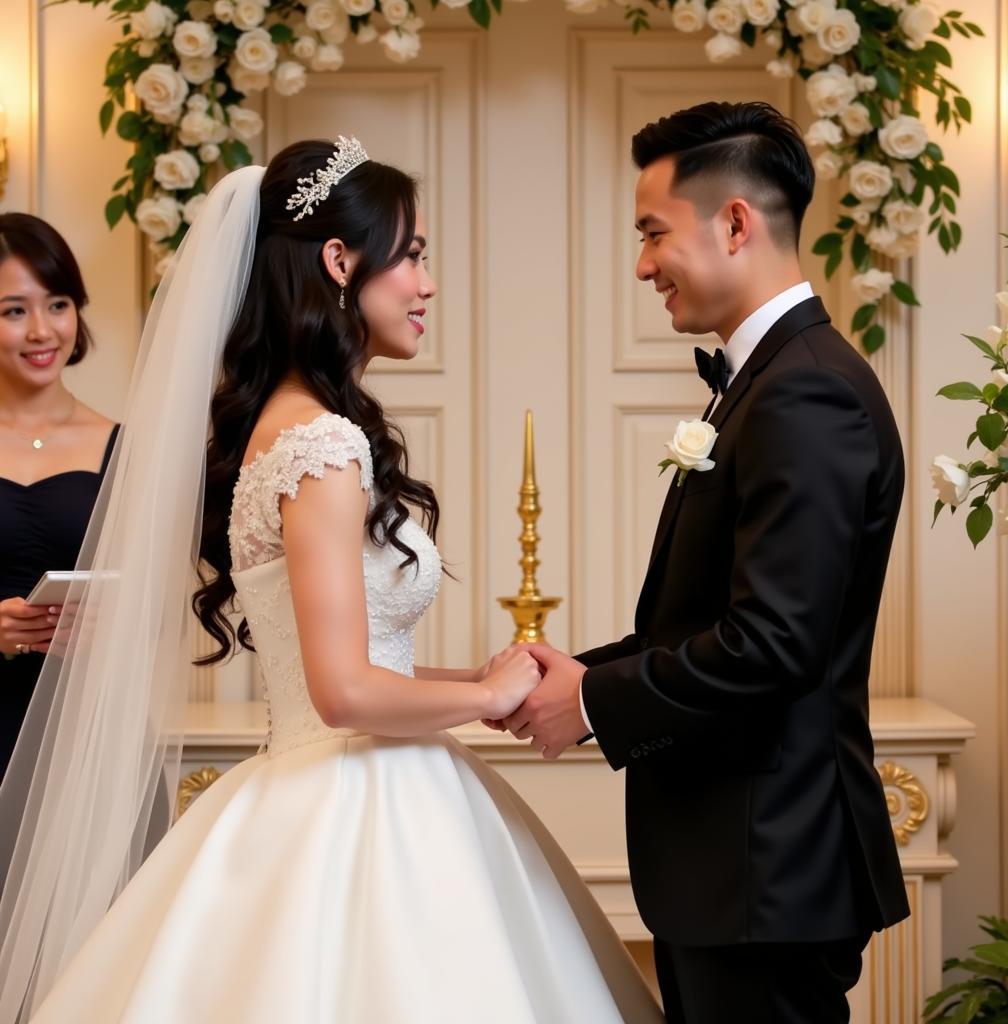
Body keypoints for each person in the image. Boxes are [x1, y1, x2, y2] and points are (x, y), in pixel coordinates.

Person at [0, 139, 663, 1023]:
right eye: (414, 255)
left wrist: (476, 678)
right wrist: (482, 696)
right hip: (357, 803)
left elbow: (345, 661)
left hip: (321, 777)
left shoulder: (285, 424)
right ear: (341, 262)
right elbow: (343, 692)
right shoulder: (321, 443)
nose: (426, 285)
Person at [501, 102, 911, 1023]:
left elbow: (772, 643)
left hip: (767, 871)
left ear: (734, 223)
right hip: (739, 875)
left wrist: (592, 702)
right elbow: (705, 627)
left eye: (653, 233)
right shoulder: (768, 383)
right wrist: (576, 673)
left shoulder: (805, 391)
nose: (642, 265)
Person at [0, 213, 119, 781]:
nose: (43, 331)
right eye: (14, 311)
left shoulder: (125, 449)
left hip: (86, 735)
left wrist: (115, 623)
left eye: (58, 304)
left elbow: (161, 604)